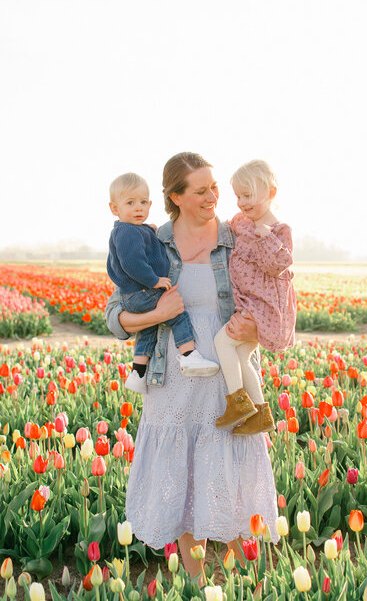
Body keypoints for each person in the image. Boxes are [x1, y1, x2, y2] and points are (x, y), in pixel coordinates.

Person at [105, 152, 279, 582]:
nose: (213, 197)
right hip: (174, 379)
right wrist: (157, 312)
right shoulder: (149, 241)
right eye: (201, 191)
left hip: (226, 377)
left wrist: (257, 326)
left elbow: (270, 294)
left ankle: (249, 582)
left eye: (214, 188)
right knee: (183, 479)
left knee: (232, 474)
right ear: (175, 197)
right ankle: (200, 584)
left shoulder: (236, 236)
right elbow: (115, 316)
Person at [107, 172, 219, 393]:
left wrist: (152, 234)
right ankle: (188, 355)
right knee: (177, 312)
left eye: (143, 202)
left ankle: (138, 371)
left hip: (138, 293)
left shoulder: (142, 230)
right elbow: (132, 262)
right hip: (141, 290)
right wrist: (154, 281)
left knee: (148, 328)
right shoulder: (127, 232)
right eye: (130, 203)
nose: (138, 208)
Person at [214, 160, 296, 435]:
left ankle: (238, 402)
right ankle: (260, 413)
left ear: (271, 192)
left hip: (262, 306)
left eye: (248, 195)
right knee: (241, 355)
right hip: (246, 302)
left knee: (221, 341)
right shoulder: (243, 223)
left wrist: (265, 239)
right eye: (238, 196)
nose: (241, 202)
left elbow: (279, 264)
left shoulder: (278, 231)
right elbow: (222, 227)